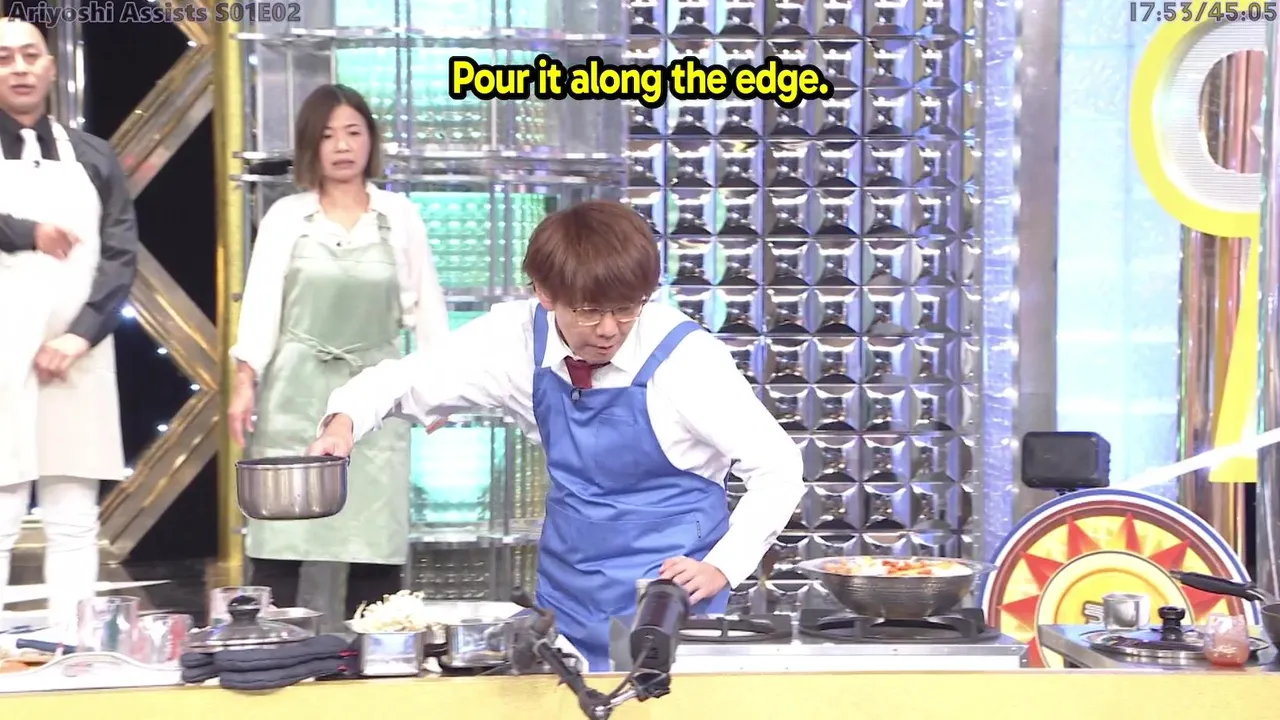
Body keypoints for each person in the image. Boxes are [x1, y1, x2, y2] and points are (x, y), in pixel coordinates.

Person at [307, 200, 804, 669]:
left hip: (668, 603)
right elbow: (408, 379)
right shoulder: (518, 339)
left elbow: (778, 469)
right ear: (545, 294)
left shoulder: (686, 359)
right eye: (588, 310)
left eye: (626, 308)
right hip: (568, 597)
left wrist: (723, 566)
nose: (609, 329)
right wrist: (343, 421)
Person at [228, 83, 449, 629]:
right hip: (294, 394)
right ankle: (267, 655)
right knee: (280, 541)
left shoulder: (399, 216)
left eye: (353, 132)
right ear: (311, 145)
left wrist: (440, 388)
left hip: (375, 394)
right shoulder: (286, 217)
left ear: (371, 140)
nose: (343, 146)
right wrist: (244, 379)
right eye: (328, 135)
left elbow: (428, 306)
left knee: (373, 545)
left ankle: (373, 658)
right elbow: (261, 303)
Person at [0, 19, 138, 640]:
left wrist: (80, 334)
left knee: (74, 517)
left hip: (78, 357)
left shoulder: (94, 155)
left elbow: (120, 256)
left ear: (51, 67)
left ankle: (75, 653)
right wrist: (27, 232)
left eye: (30, 55)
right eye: (4, 58)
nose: (19, 68)